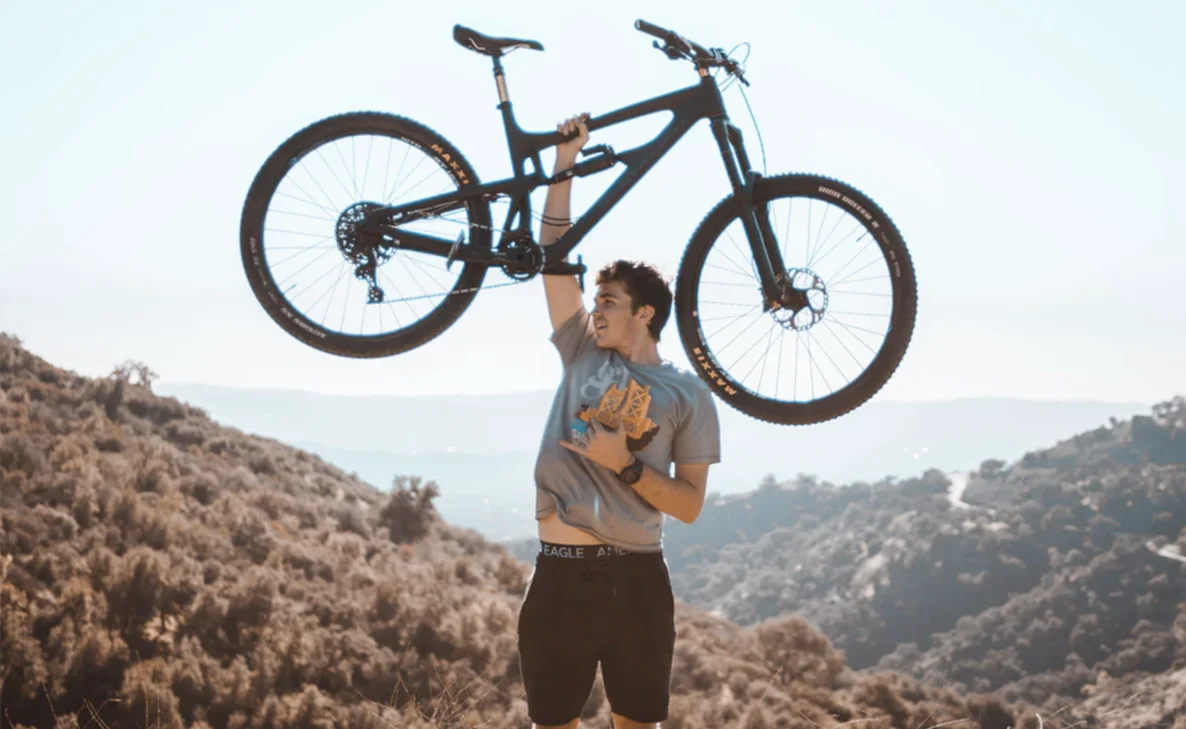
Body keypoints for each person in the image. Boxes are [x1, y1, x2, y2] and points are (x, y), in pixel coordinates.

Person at [515, 113, 722, 729]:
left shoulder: (688, 394)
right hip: (558, 572)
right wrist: (564, 165)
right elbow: (553, 259)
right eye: (595, 299)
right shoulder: (581, 348)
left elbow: (688, 505)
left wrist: (623, 464)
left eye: (609, 301)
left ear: (645, 313)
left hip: (636, 582)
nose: (595, 310)